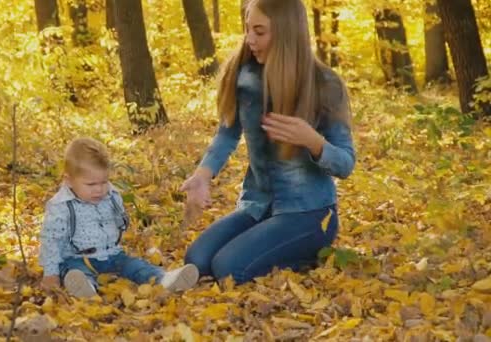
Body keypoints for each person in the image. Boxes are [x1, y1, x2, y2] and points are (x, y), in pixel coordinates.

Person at [181, 0, 356, 285]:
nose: (250, 40)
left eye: (259, 32)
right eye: (248, 30)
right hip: (257, 206)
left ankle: (307, 253)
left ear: (287, 33)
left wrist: (312, 141)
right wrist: (203, 175)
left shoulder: (324, 83)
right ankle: (266, 242)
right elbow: (227, 134)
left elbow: (346, 164)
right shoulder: (245, 76)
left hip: (309, 213)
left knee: (228, 268)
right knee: (197, 260)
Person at [39, 137, 198, 297]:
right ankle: (86, 287)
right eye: (91, 185)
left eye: (104, 182)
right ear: (69, 181)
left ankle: (163, 279)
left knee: (134, 266)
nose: (99, 190)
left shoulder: (111, 196)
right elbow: (51, 242)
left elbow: (119, 221)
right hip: (78, 257)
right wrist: (50, 274)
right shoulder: (61, 206)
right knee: (75, 270)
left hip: (112, 255)